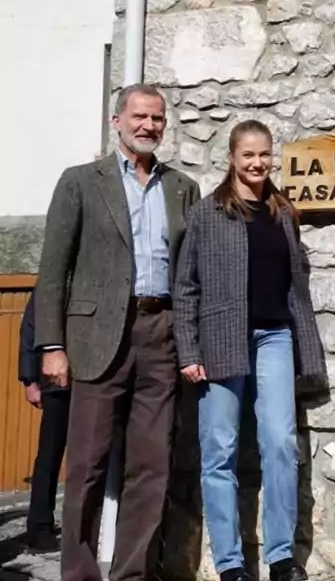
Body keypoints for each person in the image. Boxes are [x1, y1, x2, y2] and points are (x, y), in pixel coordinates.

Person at [35, 83, 200, 581]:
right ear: (117, 121)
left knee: (152, 468)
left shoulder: (182, 188)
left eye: (157, 118)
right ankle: (80, 574)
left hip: (161, 332)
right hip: (96, 338)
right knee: (86, 464)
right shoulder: (81, 181)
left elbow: (189, 270)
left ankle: (132, 573)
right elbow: (52, 269)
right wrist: (53, 345)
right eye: (140, 116)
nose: (149, 126)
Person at [173, 120, 327, 581]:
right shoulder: (206, 214)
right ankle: (231, 564)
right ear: (232, 158)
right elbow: (185, 288)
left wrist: (306, 343)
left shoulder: (283, 212)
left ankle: (281, 558)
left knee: (280, 443)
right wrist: (188, 350)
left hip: (274, 337)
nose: (257, 163)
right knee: (218, 449)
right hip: (220, 339)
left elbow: (296, 284)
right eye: (248, 156)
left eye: (264, 155)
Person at [17, 294, 70, 553]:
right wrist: (29, 380)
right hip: (55, 382)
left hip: (92, 380)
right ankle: (39, 528)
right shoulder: (51, 284)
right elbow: (30, 329)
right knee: (49, 455)